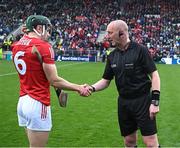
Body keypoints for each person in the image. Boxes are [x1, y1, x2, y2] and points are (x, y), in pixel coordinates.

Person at [11, 15, 91, 147]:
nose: (48, 34)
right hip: (37, 102)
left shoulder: (17, 45)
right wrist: (79, 87)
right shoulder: (43, 46)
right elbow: (54, 80)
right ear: (38, 28)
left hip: (23, 101)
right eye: (47, 30)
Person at [86, 20, 161, 147]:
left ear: (121, 33)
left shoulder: (140, 50)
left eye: (110, 33)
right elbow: (105, 80)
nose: (107, 36)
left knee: (150, 143)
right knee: (129, 141)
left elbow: (155, 75)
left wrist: (155, 102)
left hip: (143, 101)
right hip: (124, 103)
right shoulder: (112, 56)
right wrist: (91, 88)